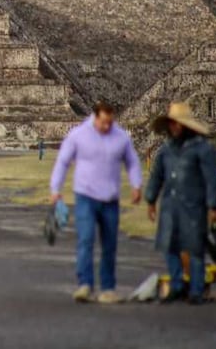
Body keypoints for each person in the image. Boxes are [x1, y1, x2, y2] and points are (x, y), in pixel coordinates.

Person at [50, 102, 143, 305]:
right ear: (95, 117)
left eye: (110, 122)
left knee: (110, 245)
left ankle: (108, 288)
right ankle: (85, 284)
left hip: (110, 198)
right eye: (103, 122)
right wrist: (55, 189)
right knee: (86, 240)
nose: (106, 127)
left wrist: (136, 185)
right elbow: (63, 161)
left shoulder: (121, 137)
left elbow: (132, 162)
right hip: (86, 196)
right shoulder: (79, 135)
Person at [145, 102, 216, 305]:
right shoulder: (166, 150)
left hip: (193, 206)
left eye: (178, 124)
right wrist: (151, 200)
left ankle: (196, 289)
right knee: (170, 247)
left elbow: (212, 180)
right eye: (172, 123)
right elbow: (156, 176)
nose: (175, 127)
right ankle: (177, 285)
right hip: (170, 205)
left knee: (195, 248)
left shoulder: (202, 149)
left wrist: (215, 207)